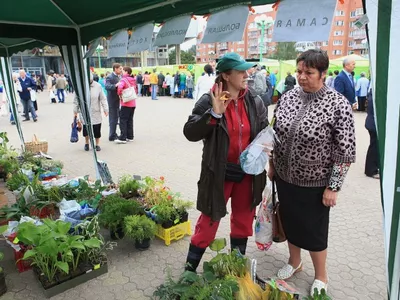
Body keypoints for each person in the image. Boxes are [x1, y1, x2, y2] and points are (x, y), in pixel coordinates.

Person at [269, 49, 356, 296]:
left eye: (308, 72)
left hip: (316, 183)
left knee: (314, 230)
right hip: (285, 178)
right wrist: (272, 165)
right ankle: (294, 261)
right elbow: (275, 134)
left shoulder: (337, 103)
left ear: (323, 74)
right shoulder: (287, 98)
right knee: (291, 222)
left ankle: (321, 275)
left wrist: (334, 187)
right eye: (299, 71)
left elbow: (345, 151)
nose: (302, 77)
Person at [183, 52, 268, 272]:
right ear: (226, 76)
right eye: (241, 71)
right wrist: (214, 114)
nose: (246, 75)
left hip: (247, 174)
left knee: (243, 221)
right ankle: (189, 271)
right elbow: (190, 132)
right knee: (209, 222)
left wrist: (267, 145)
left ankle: (236, 268)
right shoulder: (209, 100)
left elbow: (263, 131)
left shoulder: (254, 101)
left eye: (246, 70)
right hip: (218, 173)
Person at [73, 73, 108, 151]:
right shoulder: (79, 86)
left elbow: (103, 98)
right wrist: (75, 111)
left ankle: (97, 144)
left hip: (95, 111)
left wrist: (106, 109)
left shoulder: (98, 86)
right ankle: (86, 143)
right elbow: (76, 100)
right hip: (84, 111)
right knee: (86, 128)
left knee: (97, 128)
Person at [115, 66, 137, 144]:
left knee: (123, 120)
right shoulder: (133, 79)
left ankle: (123, 137)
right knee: (130, 120)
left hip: (126, 103)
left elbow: (120, 88)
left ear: (126, 72)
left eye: (123, 71)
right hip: (133, 102)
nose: (122, 72)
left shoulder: (123, 79)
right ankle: (130, 136)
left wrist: (119, 94)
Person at [105, 63, 123, 142]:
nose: (121, 70)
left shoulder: (120, 76)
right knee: (113, 118)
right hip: (112, 100)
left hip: (120, 100)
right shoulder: (110, 77)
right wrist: (116, 85)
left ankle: (115, 134)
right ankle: (112, 135)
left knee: (118, 117)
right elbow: (107, 86)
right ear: (115, 69)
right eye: (120, 69)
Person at [364, 90, 380, 179]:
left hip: (372, 122)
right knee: (374, 147)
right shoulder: (376, 92)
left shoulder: (373, 91)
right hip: (374, 124)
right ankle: (371, 170)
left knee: (375, 146)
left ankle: (374, 168)